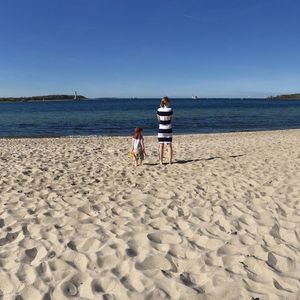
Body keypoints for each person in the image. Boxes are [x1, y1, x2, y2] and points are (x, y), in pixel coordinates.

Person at [157, 96, 173, 165]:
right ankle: (170, 161)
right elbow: (171, 120)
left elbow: (158, 120)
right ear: (168, 102)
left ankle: (161, 161)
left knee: (161, 146)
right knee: (169, 145)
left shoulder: (159, 110)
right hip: (168, 129)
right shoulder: (170, 110)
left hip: (161, 129)